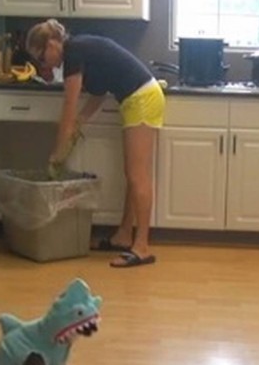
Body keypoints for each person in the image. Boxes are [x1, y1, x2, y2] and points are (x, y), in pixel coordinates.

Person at [26, 19, 164, 268]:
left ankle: (142, 247)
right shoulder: (79, 50)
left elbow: (68, 107)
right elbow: (98, 93)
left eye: (42, 58)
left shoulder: (73, 53)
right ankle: (124, 236)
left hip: (143, 99)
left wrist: (57, 155)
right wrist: (81, 122)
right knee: (132, 175)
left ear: (53, 43)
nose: (44, 65)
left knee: (138, 176)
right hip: (138, 98)